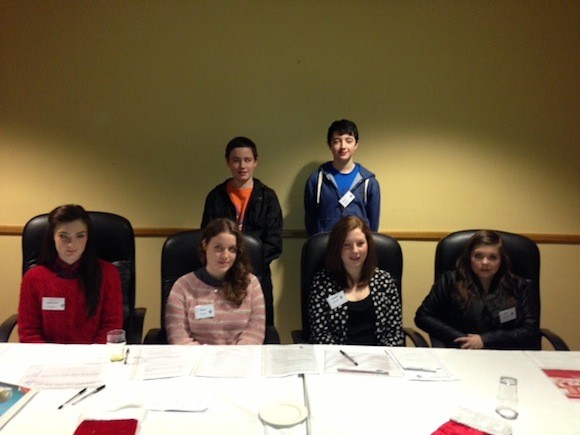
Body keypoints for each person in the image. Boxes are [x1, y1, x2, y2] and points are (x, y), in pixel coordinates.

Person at [201, 136, 282, 327]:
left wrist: (244, 266)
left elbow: (274, 243)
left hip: (257, 275)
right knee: (222, 326)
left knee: (260, 327)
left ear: (256, 162)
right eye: (236, 160)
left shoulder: (268, 197)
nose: (242, 166)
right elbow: (206, 236)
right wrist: (227, 263)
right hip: (221, 274)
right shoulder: (216, 196)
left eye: (247, 160)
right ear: (228, 162)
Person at [415, 230, 541, 350]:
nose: (485, 262)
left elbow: (530, 328)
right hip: (461, 351)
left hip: (505, 352)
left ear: (501, 260)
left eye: (492, 257)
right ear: (469, 257)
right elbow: (423, 316)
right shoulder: (451, 280)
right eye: (478, 256)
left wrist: (485, 340)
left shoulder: (517, 285)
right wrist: (463, 339)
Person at [18, 205, 123, 344]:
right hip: (47, 359)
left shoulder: (108, 273)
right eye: (63, 236)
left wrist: (90, 356)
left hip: (94, 357)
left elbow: (111, 325)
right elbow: (29, 331)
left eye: (80, 236)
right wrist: (51, 359)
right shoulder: (34, 277)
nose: (71, 244)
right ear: (52, 237)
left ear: (88, 238)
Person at [165, 218, 266, 345]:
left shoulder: (251, 284)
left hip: (240, 361)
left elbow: (254, 334)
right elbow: (179, 338)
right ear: (205, 245)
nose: (225, 256)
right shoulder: (182, 287)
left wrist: (232, 360)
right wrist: (208, 361)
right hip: (195, 362)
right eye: (218, 248)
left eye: (232, 249)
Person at [308, 215, 404, 346]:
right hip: (338, 359)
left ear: (368, 245)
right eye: (346, 245)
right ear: (337, 248)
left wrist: (380, 359)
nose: (355, 251)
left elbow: (395, 333)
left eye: (360, 244)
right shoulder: (323, 283)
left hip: (379, 360)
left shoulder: (385, 281)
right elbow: (320, 334)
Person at [304, 119, 380, 237]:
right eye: (337, 141)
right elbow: (310, 221)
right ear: (329, 144)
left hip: (356, 251)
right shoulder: (316, 180)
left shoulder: (369, 182)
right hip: (325, 249)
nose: (343, 146)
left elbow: (373, 226)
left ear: (356, 145)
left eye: (349, 141)